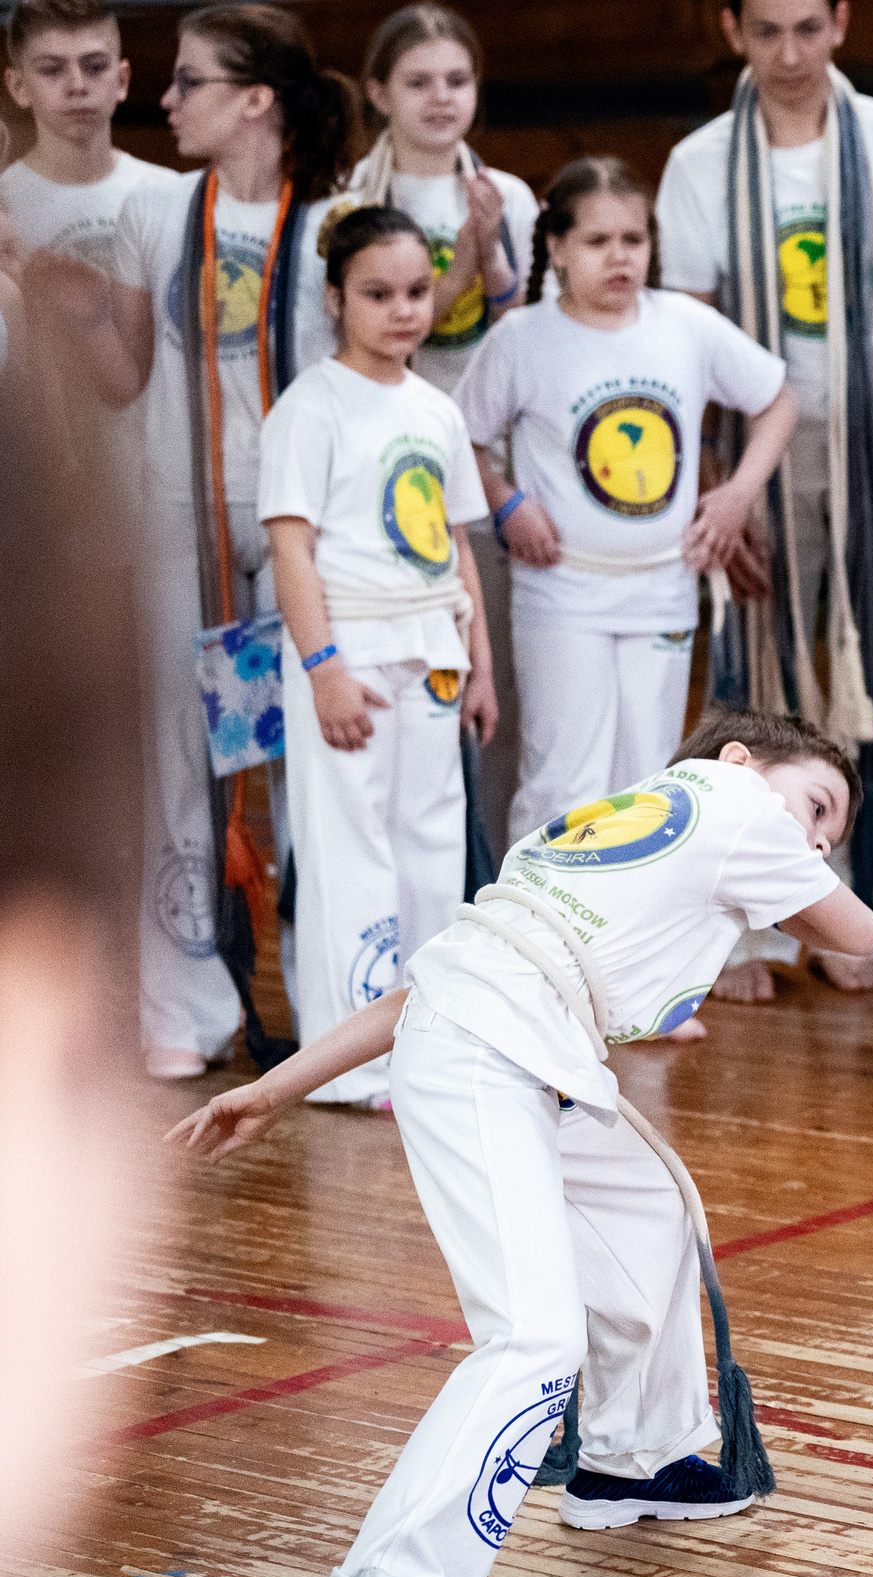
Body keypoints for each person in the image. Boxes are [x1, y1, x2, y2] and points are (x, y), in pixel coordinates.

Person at [167, 707, 873, 1577]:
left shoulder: (603, 831)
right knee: (535, 1337)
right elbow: (860, 932)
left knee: (649, 1210)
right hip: (492, 1056)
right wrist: (805, 874)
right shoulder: (735, 808)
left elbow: (424, 988)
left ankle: (635, 1459)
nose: (813, 838)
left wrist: (271, 1089)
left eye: (829, 833)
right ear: (736, 760)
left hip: (501, 1043)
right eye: (817, 807)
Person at [29, 2, 359, 1082]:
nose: (163, 101)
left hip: (310, 525)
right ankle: (192, 1006)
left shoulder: (333, 221)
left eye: (190, 82)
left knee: (316, 765)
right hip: (184, 509)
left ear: (255, 99)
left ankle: (335, 1006)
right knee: (184, 764)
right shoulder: (159, 214)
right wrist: (50, 290)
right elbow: (127, 373)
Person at [654, 0, 873, 1000]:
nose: (788, 54)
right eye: (766, 32)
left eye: (807, 27)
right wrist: (718, 493)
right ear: (730, 30)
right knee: (754, 706)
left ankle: (860, 922)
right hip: (757, 464)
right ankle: (740, 937)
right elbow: (684, 343)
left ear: (841, 22)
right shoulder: (701, 161)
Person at [452, 158, 798, 862]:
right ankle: (535, 948)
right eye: (597, 241)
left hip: (663, 587)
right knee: (562, 783)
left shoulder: (687, 326)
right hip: (563, 590)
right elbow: (460, 435)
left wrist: (735, 495)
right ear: (556, 247)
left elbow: (778, 400)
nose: (620, 258)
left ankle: (626, 959)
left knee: (649, 783)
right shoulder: (523, 338)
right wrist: (507, 501)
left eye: (633, 241)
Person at [261, 205, 498, 1106]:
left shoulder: (436, 409)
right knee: (347, 850)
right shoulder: (310, 407)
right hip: (348, 647)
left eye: (415, 291)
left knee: (430, 848)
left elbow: (456, 546)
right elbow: (291, 547)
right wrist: (324, 669)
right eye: (378, 293)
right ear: (335, 298)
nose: (402, 309)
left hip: (430, 642)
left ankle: (425, 1037)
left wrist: (480, 663)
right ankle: (348, 1061)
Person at [346, 2, 540, 844]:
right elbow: (376, 335)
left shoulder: (512, 196)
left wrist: (494, 253)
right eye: (418, 82)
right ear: (378, 93)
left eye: (457, 81)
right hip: (381, 478)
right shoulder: (346, 201)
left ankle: (488, 863)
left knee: (490, 683)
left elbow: (521, 337)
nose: (440, 98)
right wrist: (460, 258)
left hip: (479, 470)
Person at [0, 0, 177, 278]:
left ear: (122, 80)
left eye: (94, 67)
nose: (77, 86)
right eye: (51, 69)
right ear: (18, 86)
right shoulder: (4, 204)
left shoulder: (171, 195)